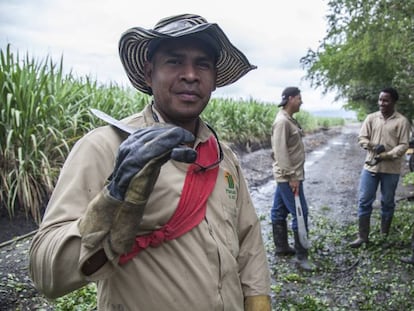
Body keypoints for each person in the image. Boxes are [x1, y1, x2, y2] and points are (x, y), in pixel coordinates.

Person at [29, 13, 271, 310]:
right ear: (148, 73)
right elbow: (46, 275)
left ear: (214, 80)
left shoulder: (222, 156)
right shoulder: (106, 147)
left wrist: (258, 300)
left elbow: (248, 239)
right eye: (174, 61)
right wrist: (115, 194)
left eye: (202, 64)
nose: (191, 74)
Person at [349, 87, 410, 248]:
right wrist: (371, 145)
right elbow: (361, 137)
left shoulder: (402, 121)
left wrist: (387, 155)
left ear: (393, 102)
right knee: (364, 201)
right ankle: (362, 236)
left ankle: (384, 237)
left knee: (388, 202)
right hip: (370, 168)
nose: (382, 103)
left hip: (391, 170)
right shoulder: (371, 118)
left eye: (386, 100)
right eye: (380, 99)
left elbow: (404, 145)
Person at [270, 86, 314, 271]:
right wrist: (292, 177)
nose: (301, 101)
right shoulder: (282, 122)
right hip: (289, 176)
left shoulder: (289, 120)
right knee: (300, 213)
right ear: (290, 99)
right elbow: (280, 153)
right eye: (299, 98)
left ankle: (281, 248)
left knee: (279, 211)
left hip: (288, 175)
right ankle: (301, 257)